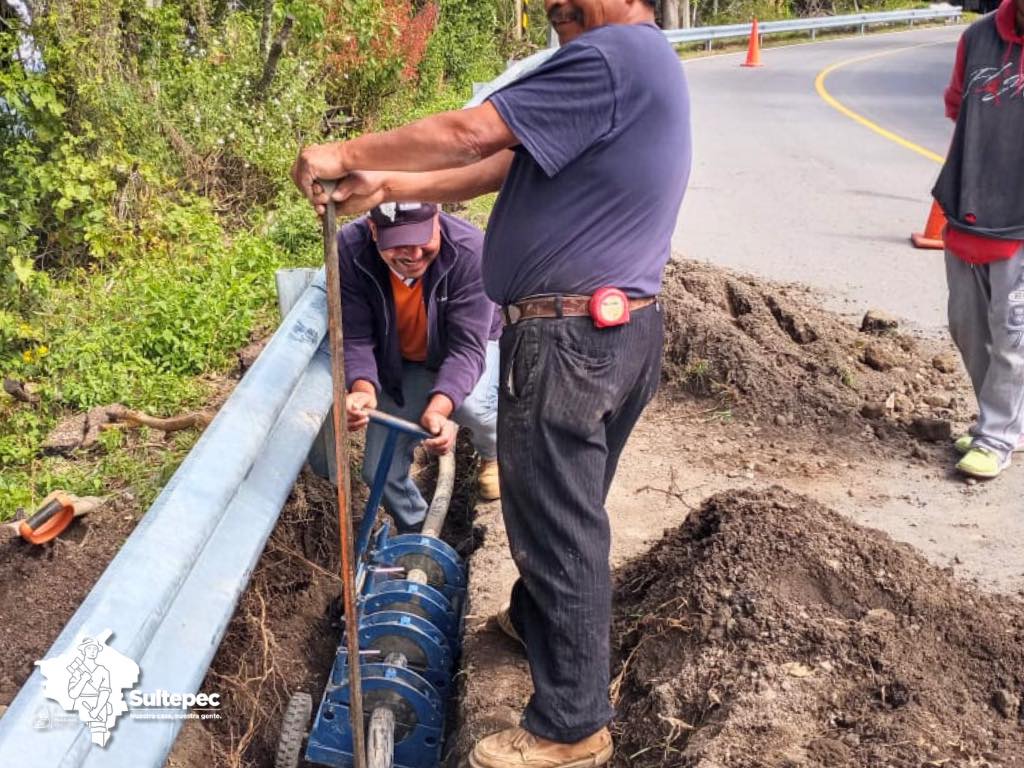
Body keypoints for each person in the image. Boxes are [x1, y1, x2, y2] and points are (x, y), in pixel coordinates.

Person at [292, 1, 691, 764]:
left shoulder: (611, 57)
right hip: (614, 332)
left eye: (572, 6)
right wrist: (391, 183)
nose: (559, 13)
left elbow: (475, 131)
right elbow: (502, 163)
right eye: (554, 11)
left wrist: (342, 151)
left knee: (562, 525)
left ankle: (571, 726)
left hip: (572, 339)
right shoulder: (639, 66)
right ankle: (537, 617)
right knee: (558, 507)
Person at [340, 202, 503, 529]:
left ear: (437, 217)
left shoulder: (470, 250)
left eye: (422, 239)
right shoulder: (350, 247)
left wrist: (439, 410)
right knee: (378, 472)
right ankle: (424, 543)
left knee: (471, 407)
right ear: (373, 231)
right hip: (404, 361)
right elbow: (355, 337)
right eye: (399, 242)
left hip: (465, 347)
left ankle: (494, 454)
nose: (413, 254)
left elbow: (467, 350)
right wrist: (363, 388)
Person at [934, 0, 1024, 480]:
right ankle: (1006, 417)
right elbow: (956, 106)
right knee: (966, 325)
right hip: (970, 203)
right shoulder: (977, 37)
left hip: (1020, 222)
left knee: (1012, 334)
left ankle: (997, 436)